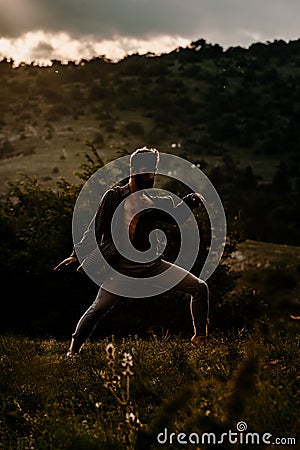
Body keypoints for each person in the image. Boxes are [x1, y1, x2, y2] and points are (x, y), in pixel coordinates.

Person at [54, 147, 209, 355]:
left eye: (154, 169)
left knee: (200, 288)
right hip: (120, 269)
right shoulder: (113, 196)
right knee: (98, 308)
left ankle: (199, 338)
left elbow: (175, 216)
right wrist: (75, 254)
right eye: (147, 170)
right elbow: (94, 227)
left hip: (152, 265)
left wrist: (191, 200)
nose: (152, 175)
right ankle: (73, 351)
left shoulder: (152, 200)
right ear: (134, 170)